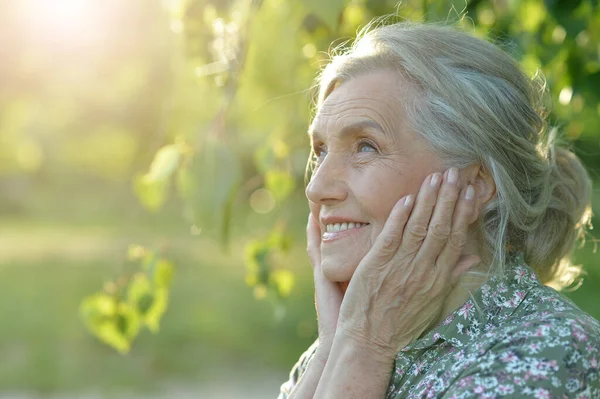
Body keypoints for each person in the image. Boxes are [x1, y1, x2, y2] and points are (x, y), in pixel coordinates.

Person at [277, 20, 600, 399]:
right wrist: (338, 343)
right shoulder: (334, 351)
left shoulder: (549, 353)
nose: (316, 188)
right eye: (321, 152)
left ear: (476, 184)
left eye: (365, 146)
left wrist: (364, 350)